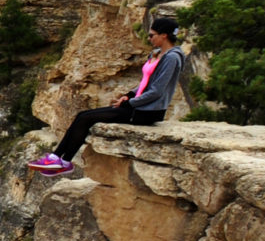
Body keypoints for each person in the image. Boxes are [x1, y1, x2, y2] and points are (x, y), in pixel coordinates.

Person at [28, 17, 185, 176]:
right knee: (82, 115)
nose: (149, 38)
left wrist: (130, 103)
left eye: (152, 35)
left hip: (147, 111)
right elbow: (146, 82)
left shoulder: (172, 58)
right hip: (138, 106)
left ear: (164, 35)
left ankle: (62, 161)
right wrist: (128, 95)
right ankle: (59, 159)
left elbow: (157, 91)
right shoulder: (157, 54)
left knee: (85, 118)